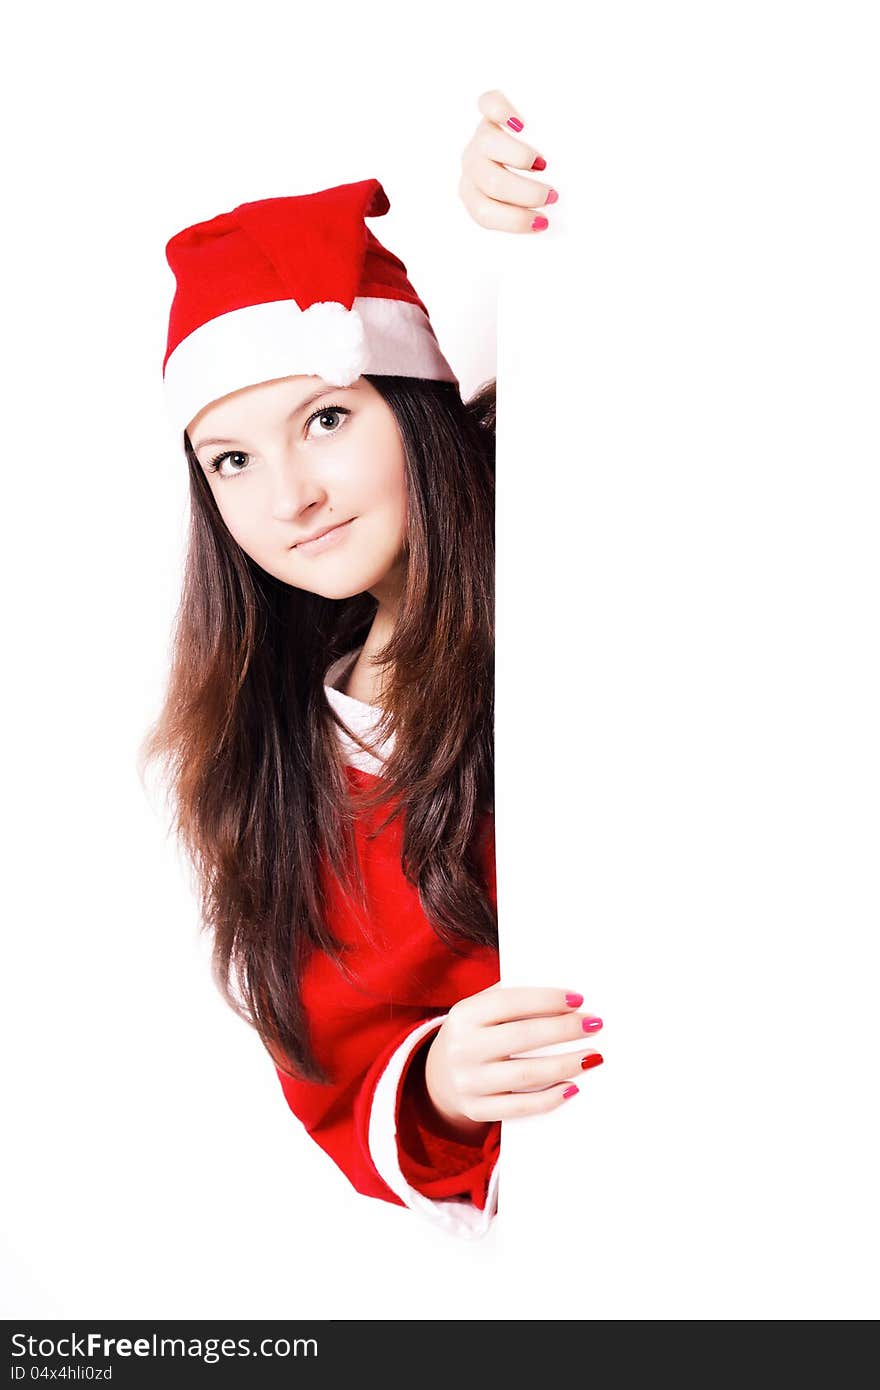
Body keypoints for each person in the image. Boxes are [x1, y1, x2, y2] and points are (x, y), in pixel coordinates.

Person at [139, 92, 604, 1241]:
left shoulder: (563, 525)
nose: (287, 496)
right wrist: (440, 1078)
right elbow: (337, 1069)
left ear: (411, 398)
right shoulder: (287, 758)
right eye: (233, 457)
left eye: (328, 421)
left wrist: (536, 205)